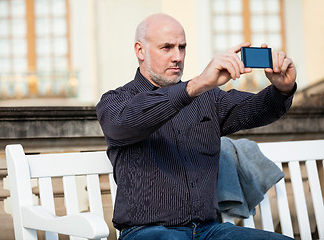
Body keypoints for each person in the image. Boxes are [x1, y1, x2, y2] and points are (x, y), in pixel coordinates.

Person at [96, 13, 296, 240]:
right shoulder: (115, 100)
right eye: (167, 48)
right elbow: (126, 122)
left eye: (182, 47)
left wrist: (282, 90)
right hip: (147, 232)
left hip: (209, 231)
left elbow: (254, 108)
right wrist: (198, 84)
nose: (177, 57)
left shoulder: (208, 99)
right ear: (140, 51)